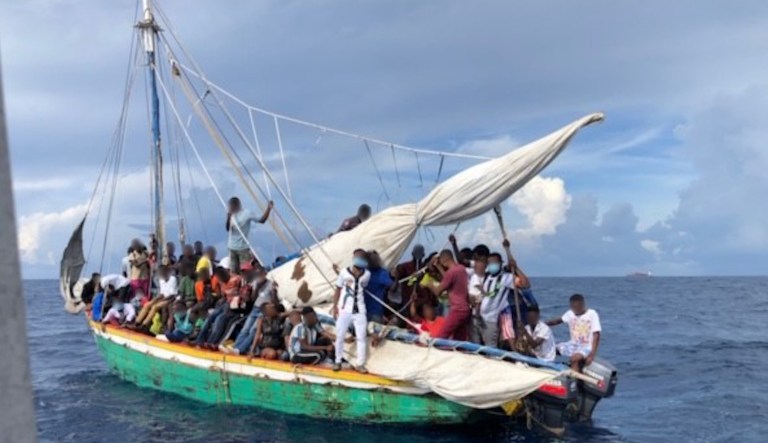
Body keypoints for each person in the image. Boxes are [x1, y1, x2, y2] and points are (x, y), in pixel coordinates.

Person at [331, 249, 371, 372]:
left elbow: (364, 286)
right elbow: (338, 289)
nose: (359, 259)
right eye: (357, 256)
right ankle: (337, 361)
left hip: (360, 310)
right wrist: (335, 306)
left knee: (361, 337)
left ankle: (360, 363)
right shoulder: (344, 272)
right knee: (340, 336)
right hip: (344, 309)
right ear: (353, 258)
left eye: (362, 257)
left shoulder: (367, 274)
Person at [547, 294, 602, 371]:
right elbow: (557, 321)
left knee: (574, 359)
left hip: (586, 346)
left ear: (583, 305)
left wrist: (592, 354)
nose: (576, 310)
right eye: (574, 307)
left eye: (578, 307)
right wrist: (542, 324)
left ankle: (574, 377)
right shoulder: (570, 313)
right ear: (571, 306)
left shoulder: (592, 314)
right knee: (549, 350)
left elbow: (596, 335)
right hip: (573, 344)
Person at [427, 250, 470, 341]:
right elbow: (449, 278)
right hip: (465, 309)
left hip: (457, 310)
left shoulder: (451, 273)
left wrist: (429, 284)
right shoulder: (461, 268)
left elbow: (437, 292)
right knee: (459, 340)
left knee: (441, 337)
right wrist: (438, 266)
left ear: (444, 261)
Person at [233, 266, 277, 355]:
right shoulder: (256, 283)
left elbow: (274, 302)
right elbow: (253, 299)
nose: (259, 276)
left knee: (253, 330)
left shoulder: (270, 284)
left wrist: (273, 292)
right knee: (245, 329)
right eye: (257, 274)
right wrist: (257, 288)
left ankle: (241, 349)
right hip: (255, 308)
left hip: (263, 310)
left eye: (260, 274)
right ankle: (235, 347)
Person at [226, 196, 274, 273]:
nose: (229, 208)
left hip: (243, 248)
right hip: (232, 248)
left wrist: (268, 208)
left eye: (231, 206)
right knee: (234, 272)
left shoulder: (247, 213)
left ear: (236, 206)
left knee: (246, 269)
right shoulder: (232, 216)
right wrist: (228, 218)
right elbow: (228, 229)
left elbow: (262, 220)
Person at [364, 251, 394, 324]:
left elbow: (391, 287)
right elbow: (392, 288)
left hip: (371, 312)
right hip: (366, 311)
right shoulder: (364, 272)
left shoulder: (380, 273)